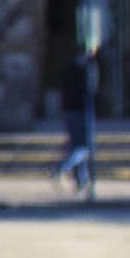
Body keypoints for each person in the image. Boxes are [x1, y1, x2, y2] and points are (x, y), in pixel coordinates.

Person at [53, 51, 93, 195]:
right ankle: (61, 168)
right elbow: (87, 91)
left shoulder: (69, 69)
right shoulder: (81, 71)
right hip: (78, 111)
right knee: (83, 148)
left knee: (78, 147)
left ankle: (82, 182)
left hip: (70, 111)